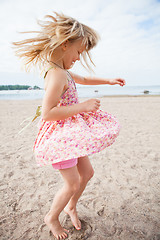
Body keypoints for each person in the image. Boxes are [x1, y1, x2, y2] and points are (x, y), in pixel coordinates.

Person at [12, 11, 125, 240]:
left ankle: (70, 206)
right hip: (59, 138)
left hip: (71, 135)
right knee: (72, 183)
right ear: (65, 44)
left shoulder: (64, 72)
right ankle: (52, 217)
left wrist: (108, 80)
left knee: (88, 173)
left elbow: (83, 79)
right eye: (78, 52)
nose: (78, 58)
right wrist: (82, 107)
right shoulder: (55, 75)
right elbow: (48, 113)